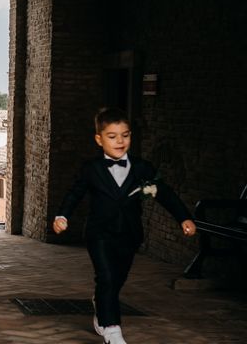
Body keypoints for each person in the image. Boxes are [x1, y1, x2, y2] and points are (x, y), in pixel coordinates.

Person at [52, 107, 196, 344]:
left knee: (117, 278)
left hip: (129, 233)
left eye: (125, 135)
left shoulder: (142, 168)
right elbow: (74, 194)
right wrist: (62, 216)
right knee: (106, 276)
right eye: (112, 136)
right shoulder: (92, 169)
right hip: (99, 233)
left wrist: (184, 217)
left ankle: (101, 303)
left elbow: (164, 194)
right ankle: (112, 330)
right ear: (99, 139)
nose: (120, 141)